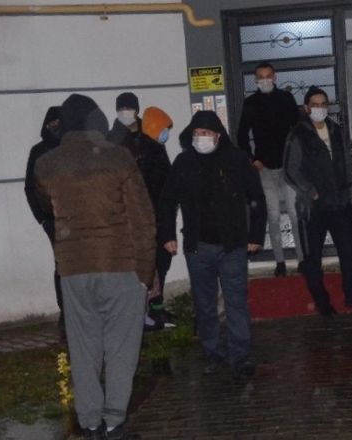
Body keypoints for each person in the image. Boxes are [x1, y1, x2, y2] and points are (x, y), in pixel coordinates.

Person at [35, 93, 155, 440]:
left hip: (73, 269)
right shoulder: (118, 158)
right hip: (120, 265)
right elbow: (142, 218)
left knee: (83, 348)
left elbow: (47, 207)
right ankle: (115, 425)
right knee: (121, 348)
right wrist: (145, 272)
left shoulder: (47, 164)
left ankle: (91, 429)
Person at [158, 111, 266, 381]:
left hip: (232, 245)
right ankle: (213, 353)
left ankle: (239, 356)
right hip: (198, 246)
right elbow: (167, 200)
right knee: (204, 304)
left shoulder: (236, 160)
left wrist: (255, 235)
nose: (200, 138)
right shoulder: (184, 162)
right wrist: (168, 235)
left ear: (218, 135)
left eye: (205, 133)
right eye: (196, 133)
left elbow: (256, 198)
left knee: (235, 301)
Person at [283, 86, 352, 317]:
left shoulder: (335, 130)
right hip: (312, 207)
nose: (320, 108)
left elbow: (345, 162)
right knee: (312, 257)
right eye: (315, 105)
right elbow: (290, 170)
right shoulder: (298, 134)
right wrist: (310, 191)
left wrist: (347, 192)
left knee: (350, 252)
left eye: (323, 104)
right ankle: (322, 302)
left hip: (339, 203)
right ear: (306, 108)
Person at [236, 62, 303, 277]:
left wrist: (296, 158)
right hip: (265, 168)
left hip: (288, 167)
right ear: (255, 80)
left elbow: (298, 129)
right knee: (273, 215)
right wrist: (253, 159)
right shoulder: (251, 103)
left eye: (268, 76)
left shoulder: (286, 98)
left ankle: (302, 259)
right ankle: (280, 262)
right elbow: (242, 135)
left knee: (294, 213)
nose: (265, 80)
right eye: (260, 77)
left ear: (274, 77)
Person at [116, 105, 177, 331]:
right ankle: (148, 313)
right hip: (150, 218)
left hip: (158, 217)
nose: (166, 133)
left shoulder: (154, 148)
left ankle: (155, 310)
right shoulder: (146, 151)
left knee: (160, 265)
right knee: (153, 267)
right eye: (163, 128)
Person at [24, 106, 65, 338]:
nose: (56, 128)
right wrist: (41, 217)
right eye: (52, 124)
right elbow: (30, 187)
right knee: (63, 265)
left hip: (75, 216)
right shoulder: (39, 151)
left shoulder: (71, 148)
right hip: (52, 218)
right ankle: (65, 311)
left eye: (60, 123)